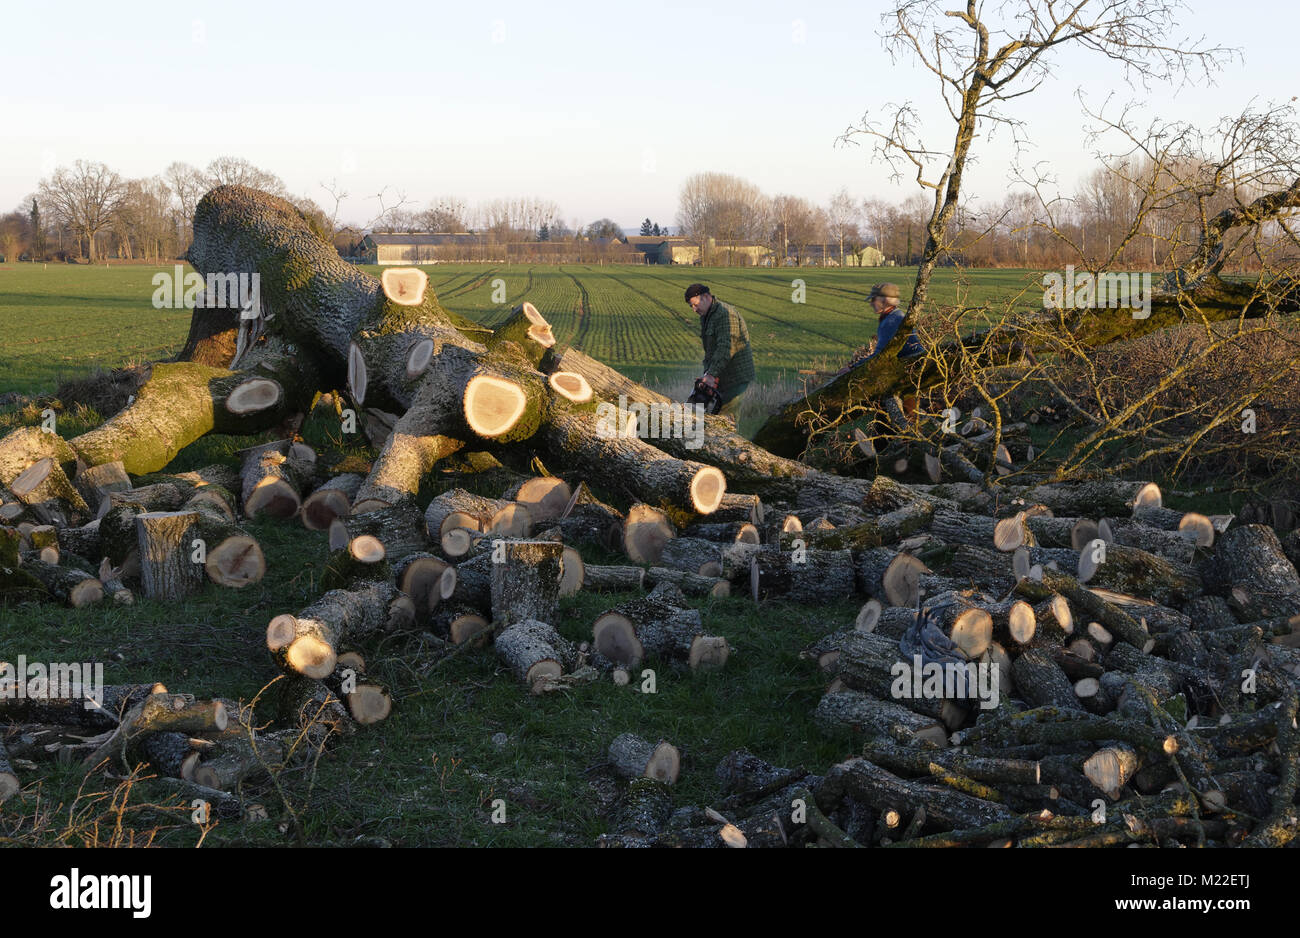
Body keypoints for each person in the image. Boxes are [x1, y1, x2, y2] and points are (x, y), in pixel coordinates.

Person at [684, 283, 754, 421]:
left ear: (705, 297)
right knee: (713, 416)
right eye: (691, 306)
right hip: (721, 375)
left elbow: (725, 348)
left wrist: (711, 375)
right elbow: (710, 352)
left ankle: (731, 442)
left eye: (695, 305)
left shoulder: (725, 314)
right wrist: (707, 375)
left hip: (735, 376)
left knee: (726, 420)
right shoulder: (707, 315)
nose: (694, 309)